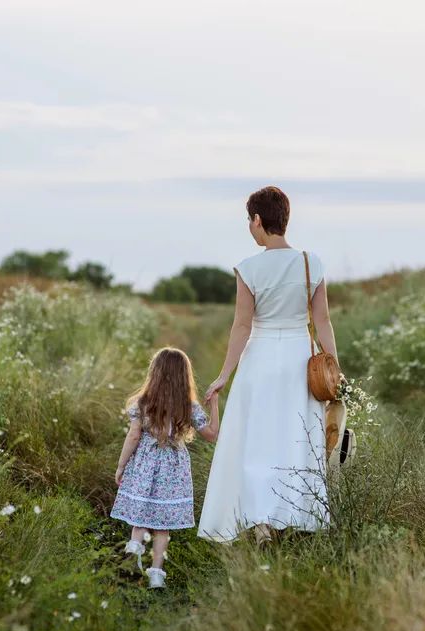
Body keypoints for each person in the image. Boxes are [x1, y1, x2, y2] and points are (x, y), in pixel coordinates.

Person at [198, 185, 337, 544]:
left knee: (257, 441)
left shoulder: (249, 268)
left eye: (249, 220)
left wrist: (224, 375)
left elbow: (242, 325)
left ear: (258, 220)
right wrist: (334, 367)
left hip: (260, 359)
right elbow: (322, 321)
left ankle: (260, 523)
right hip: (298, 359)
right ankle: (290, 516)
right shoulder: (312, 262)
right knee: (294, 439)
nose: (250, 226)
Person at [111, 347, 220, 588]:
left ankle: (133, 556)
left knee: (139, 517)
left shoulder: (144, 402)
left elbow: (133, 436)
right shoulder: (188, 407)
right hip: (174, 468)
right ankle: (156, 575)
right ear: (184, 376)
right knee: (163, 526)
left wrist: (121, 466)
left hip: (144, 464)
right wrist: (214, 405)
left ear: (155, 373)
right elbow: (212, 434)